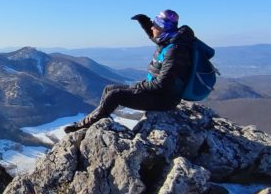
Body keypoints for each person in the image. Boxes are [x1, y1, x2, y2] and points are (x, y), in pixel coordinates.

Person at [64, 9, 196, 133]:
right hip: (156, 92)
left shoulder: (175, 50)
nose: (152, 27)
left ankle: (84, 126)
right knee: (108, 89)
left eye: (154, 25)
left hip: (164, 99)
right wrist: (144, 21)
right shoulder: (168, 40)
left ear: (163, 28)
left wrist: (137, 86)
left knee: (115, 96)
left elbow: (162, 84)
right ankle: (98, 119)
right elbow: (154, 35)